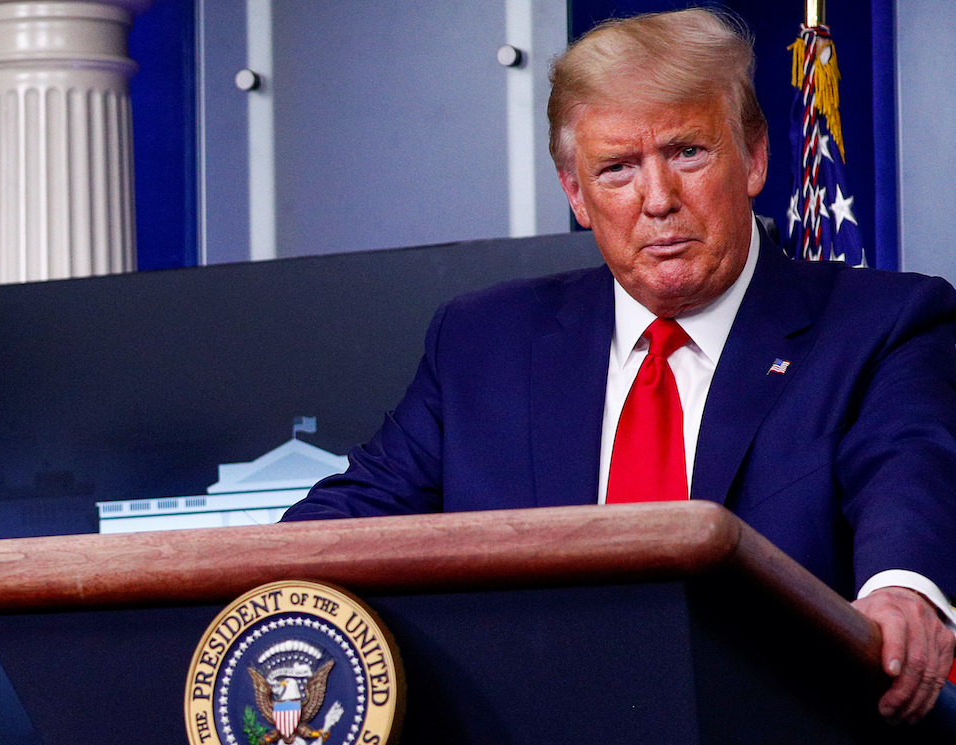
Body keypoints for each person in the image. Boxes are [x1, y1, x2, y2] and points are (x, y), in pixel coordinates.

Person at [283, 8, 956, 725]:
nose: (658, 199)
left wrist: (903, 589)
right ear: (576, 192)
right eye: (617, 169)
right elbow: (338, 526)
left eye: (688, 152)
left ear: (754, 157)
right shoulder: (483, 342)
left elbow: (909, 473)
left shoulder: (882, 325)